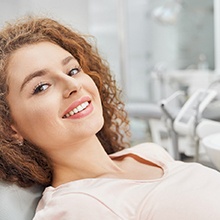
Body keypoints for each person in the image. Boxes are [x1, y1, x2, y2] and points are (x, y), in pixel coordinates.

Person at [0, 16, 220, 220]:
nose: (73, 85)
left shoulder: (147, 153)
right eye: (41, 87)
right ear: (9, 129)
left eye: (73, 70)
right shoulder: (74, 208)